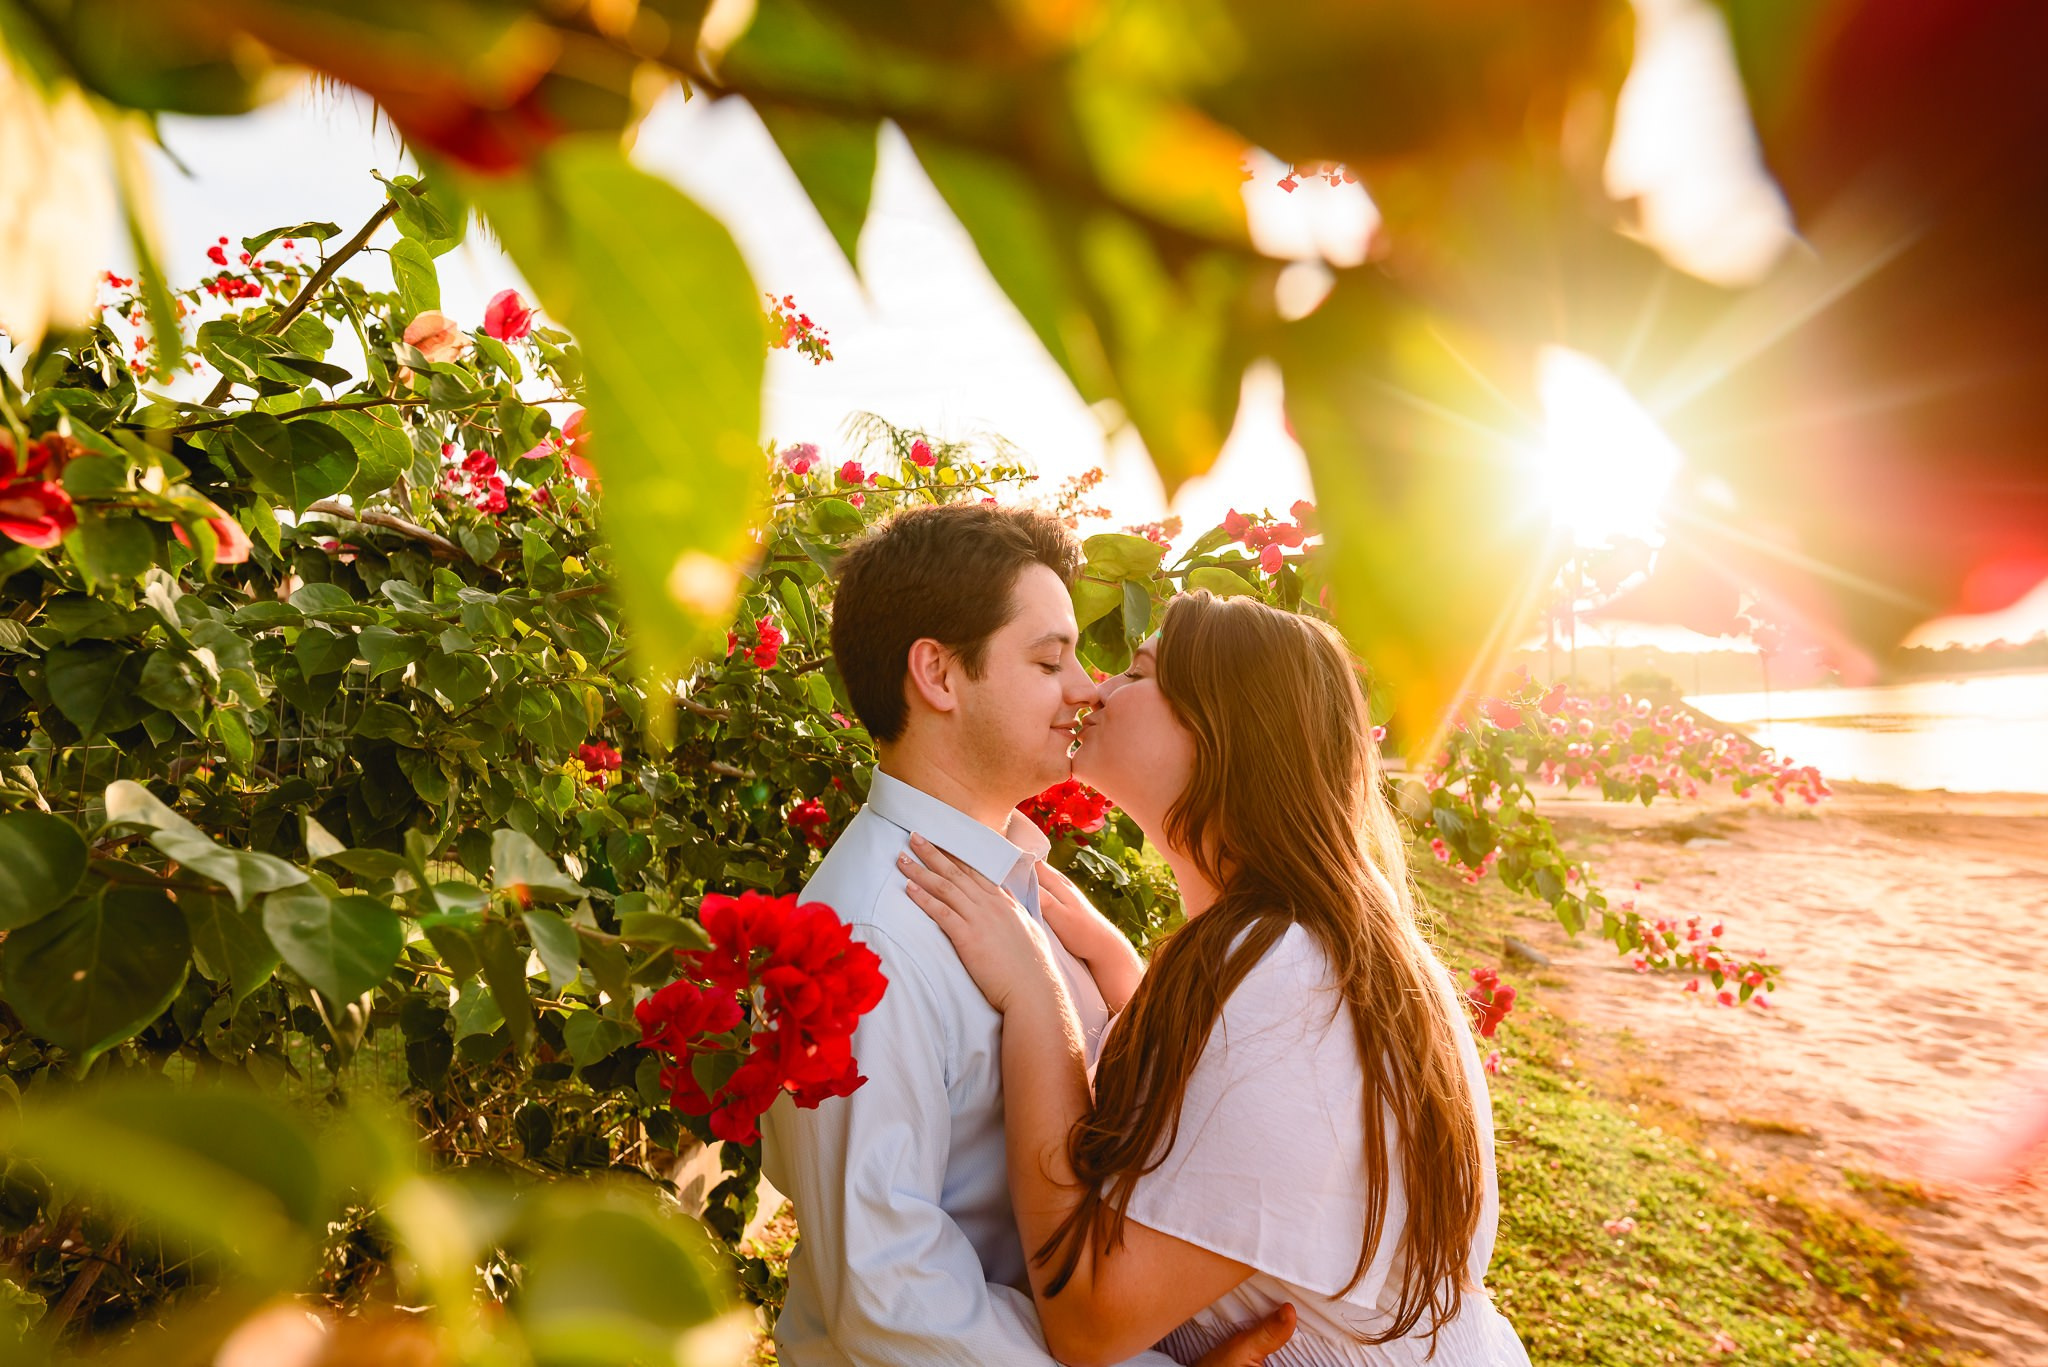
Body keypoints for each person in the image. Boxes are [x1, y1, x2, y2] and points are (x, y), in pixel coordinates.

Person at [902, 592, 1531, 1366]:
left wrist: (1037, 995)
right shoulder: (1282, 946)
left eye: (1136, 673)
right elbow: (1223, 1120)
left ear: (1219, 732)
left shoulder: (1297, 987)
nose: (1094, 690)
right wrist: (1123, 976)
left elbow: (1091, 1317)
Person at [759, 504, 1297, 1367]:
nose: (1086, 687)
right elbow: (893, 1299)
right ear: (938, 673)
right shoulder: (865, 942)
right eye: (1050, 659)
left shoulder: (1009, 878)